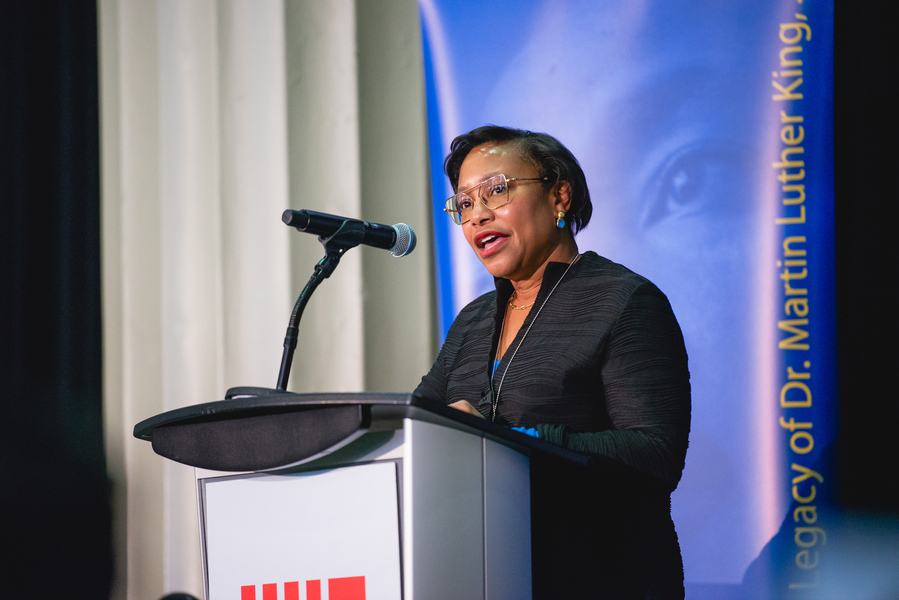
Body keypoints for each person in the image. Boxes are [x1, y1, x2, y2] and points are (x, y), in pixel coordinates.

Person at [414, 125, 692, 598]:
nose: (477, 215)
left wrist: (506, 441)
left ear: (559, 195)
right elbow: (421, 422)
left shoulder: (625, 301)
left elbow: (655, 453)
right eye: (464, 203)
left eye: (496, 191)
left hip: (599, 578)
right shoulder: (472, 321)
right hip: (483, 575)